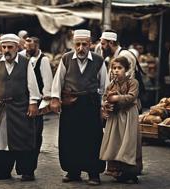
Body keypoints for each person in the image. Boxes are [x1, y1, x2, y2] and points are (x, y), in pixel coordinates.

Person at [50, 29, 108, 185]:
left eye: (84, 44)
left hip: (90, 104)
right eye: (78, 44)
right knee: (70, 138)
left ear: (90, 44)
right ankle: (73, 171)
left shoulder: (98, 60)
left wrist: (103, 107)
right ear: (73, 45)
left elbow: (104, 86)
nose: (81, 48)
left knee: (92, 139)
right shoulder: (66, 59)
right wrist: (55, 99)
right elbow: (58, 80)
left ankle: (93, 173)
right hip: (71, 104)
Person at [0, 34, 40, 181]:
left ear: (17, 47)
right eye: (4, 47)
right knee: (2, 140)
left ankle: (26, 171)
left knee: (22, 139)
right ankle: (3, 171)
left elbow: (32, 85)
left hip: (21, 108)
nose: (7, 50)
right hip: (2, 108)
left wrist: (33, 103)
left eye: (10, 47)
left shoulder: (26, 63)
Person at [100, 56, 140, 184]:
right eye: (114, 68)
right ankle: (116, 170)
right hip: (115, 117)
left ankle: (131, 172)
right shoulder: (111, 84)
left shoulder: (133, 82)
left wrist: (116, 98)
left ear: (126, 69)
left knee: (128, 142)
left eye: (119, 68)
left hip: (128, 116)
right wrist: (106, 104)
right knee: (116, 142)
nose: (116, 70)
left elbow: (131, 97)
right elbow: (105, 98)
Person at [19, 36, 53, 172]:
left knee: (35, 134)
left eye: (30, 45)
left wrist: (45, 102)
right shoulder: (21, 57)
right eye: (26, 45)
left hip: (37, 102)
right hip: (21, 101)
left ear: (37, 45)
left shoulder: (43, 60)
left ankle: (30, 168)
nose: (27, 48)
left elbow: (47, 81)